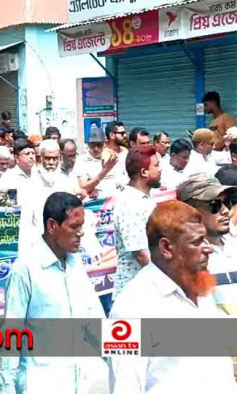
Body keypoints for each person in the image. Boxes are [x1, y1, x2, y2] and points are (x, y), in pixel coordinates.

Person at [109, 201, 236, 393]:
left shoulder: (202, 289)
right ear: (166, 247)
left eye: (205, 240)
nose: (208, 249)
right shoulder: (129, 307)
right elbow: (124, 386)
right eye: (197, 242)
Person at [0, 192, 106, 394]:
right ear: (52, 226)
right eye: (74, 227)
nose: (80, 233)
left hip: (79, 382)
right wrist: (7, 387)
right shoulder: (25, 269)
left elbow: (95, 323)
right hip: (41, 384)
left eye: (81, 226)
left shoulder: (76, 265)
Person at [178, 174, 237, 315]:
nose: (226, 211)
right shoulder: (182, 259)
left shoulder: (233, 242)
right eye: (214, 205)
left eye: (227, 202)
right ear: (190, 211)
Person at [112, 146, 162, 301]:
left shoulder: (143, 200)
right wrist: (165, 279)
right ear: (144, 172)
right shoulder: (130, 204)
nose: (160, 170)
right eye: (156, 165)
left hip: (148, 290)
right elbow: (140, 253)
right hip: (135, 295)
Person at [77, 126, 121, 197]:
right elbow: (83, 187)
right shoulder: (82, 160)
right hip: (94, 202)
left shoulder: (112, 157)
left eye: (99, 145)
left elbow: (121, 182)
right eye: (92, 145)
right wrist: (105, 171)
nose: (96, 149)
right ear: (88, 145)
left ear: (105, 144)